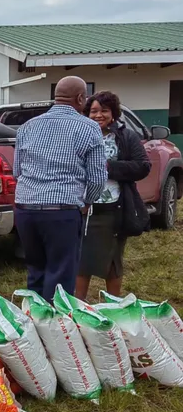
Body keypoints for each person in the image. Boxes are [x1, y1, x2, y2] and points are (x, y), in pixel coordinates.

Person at [13, 76, 107, 302]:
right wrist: (87, 202)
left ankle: (34, 317)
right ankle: (54, 320)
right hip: (62, 211)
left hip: (26, 209)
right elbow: (97, 179)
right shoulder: (89, 128)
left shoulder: (27, 126)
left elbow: (17, 171)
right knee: (61, 275)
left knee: (35, 270)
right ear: (81, 98)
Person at [75, 91, 151, 299]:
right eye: (93, 111)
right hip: (83, 208)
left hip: (113, 207)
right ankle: (77, 307)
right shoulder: (80, 135)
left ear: (113, 113)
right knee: (81, 261)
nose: (98, 115)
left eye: (104, 111)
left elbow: (143, 166)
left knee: (112, 261)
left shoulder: (126, 137)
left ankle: (115, 305)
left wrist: (108, 167)